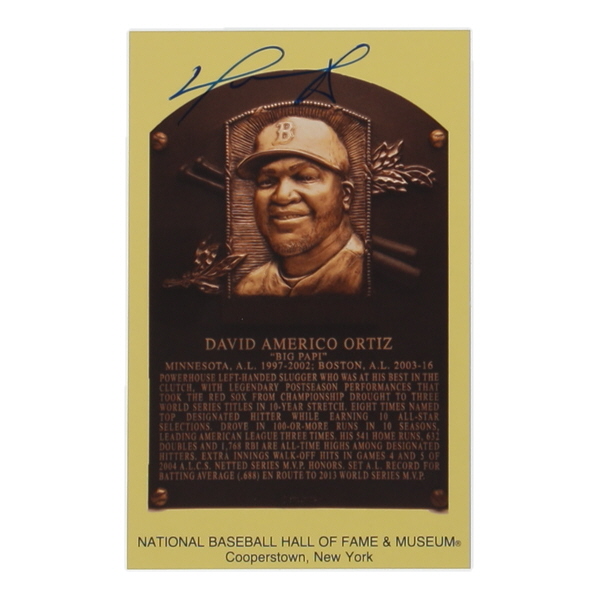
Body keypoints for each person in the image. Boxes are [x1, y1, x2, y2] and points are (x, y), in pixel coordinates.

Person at [234, 116, 365, 296]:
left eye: (305, 177)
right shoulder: (247, 288)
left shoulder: (371, 276)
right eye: (267, 181)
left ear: (345, 195)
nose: (282, 196)